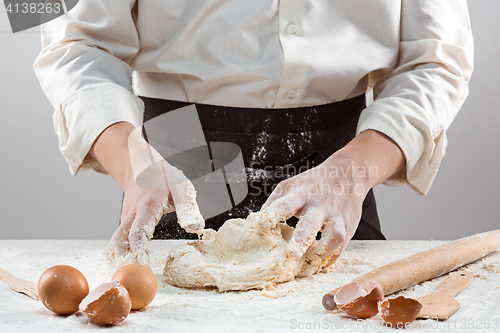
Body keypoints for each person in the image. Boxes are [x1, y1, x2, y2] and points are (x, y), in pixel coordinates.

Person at [34, 1, 473, 264]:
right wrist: (131, 163)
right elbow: (70, 44)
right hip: (177, 158)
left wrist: (353, 172)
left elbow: (436, 60)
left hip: (336, 173)